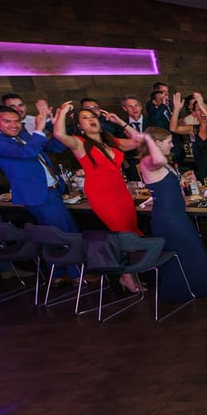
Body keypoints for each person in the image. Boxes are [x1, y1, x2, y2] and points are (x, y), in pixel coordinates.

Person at [52, 101, 145, 292]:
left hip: (121, 193)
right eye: (85, 118)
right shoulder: (79, 143)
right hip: (102, 195)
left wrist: (119, 121)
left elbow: (139, 141)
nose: (91, 120)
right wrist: (62, 113)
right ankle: (126, 276)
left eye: (93, 116)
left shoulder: (111, 141)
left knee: (130, 230)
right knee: (122, 233)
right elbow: (59, 134)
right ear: (80, 127)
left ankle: (131, 274)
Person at [0, 103, 82, 279]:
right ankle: (76, 275)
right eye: (7, 121)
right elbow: (27, 153)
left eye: (17, 121)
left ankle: (58, 274)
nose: (14, 125)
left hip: (52, 190)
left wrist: (55, 126)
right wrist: (39, 129)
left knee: (54, 233)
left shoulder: (22, 134)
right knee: (66, 233)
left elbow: (55, 147)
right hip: (39, 194)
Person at [137, 129, 207, 301]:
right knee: (185, 250)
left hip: (177, 214)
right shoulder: (148, 161)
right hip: (168, 218)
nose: (172, 145)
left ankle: (194, 288)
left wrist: (183, 179)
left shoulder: (163, 163)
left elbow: (169, 183)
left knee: (192, 250)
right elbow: (158, 160)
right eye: (168, 141)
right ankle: (183, 292)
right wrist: (147, 139)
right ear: (157, 143)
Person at [169, 92, 207, 180]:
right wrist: (176, 109)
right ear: (194, 113)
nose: (202, 112)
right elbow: (173, 128)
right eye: (198, 109)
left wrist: (202, 106)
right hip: (202, 169)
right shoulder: (194, 129)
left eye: (203, 109)